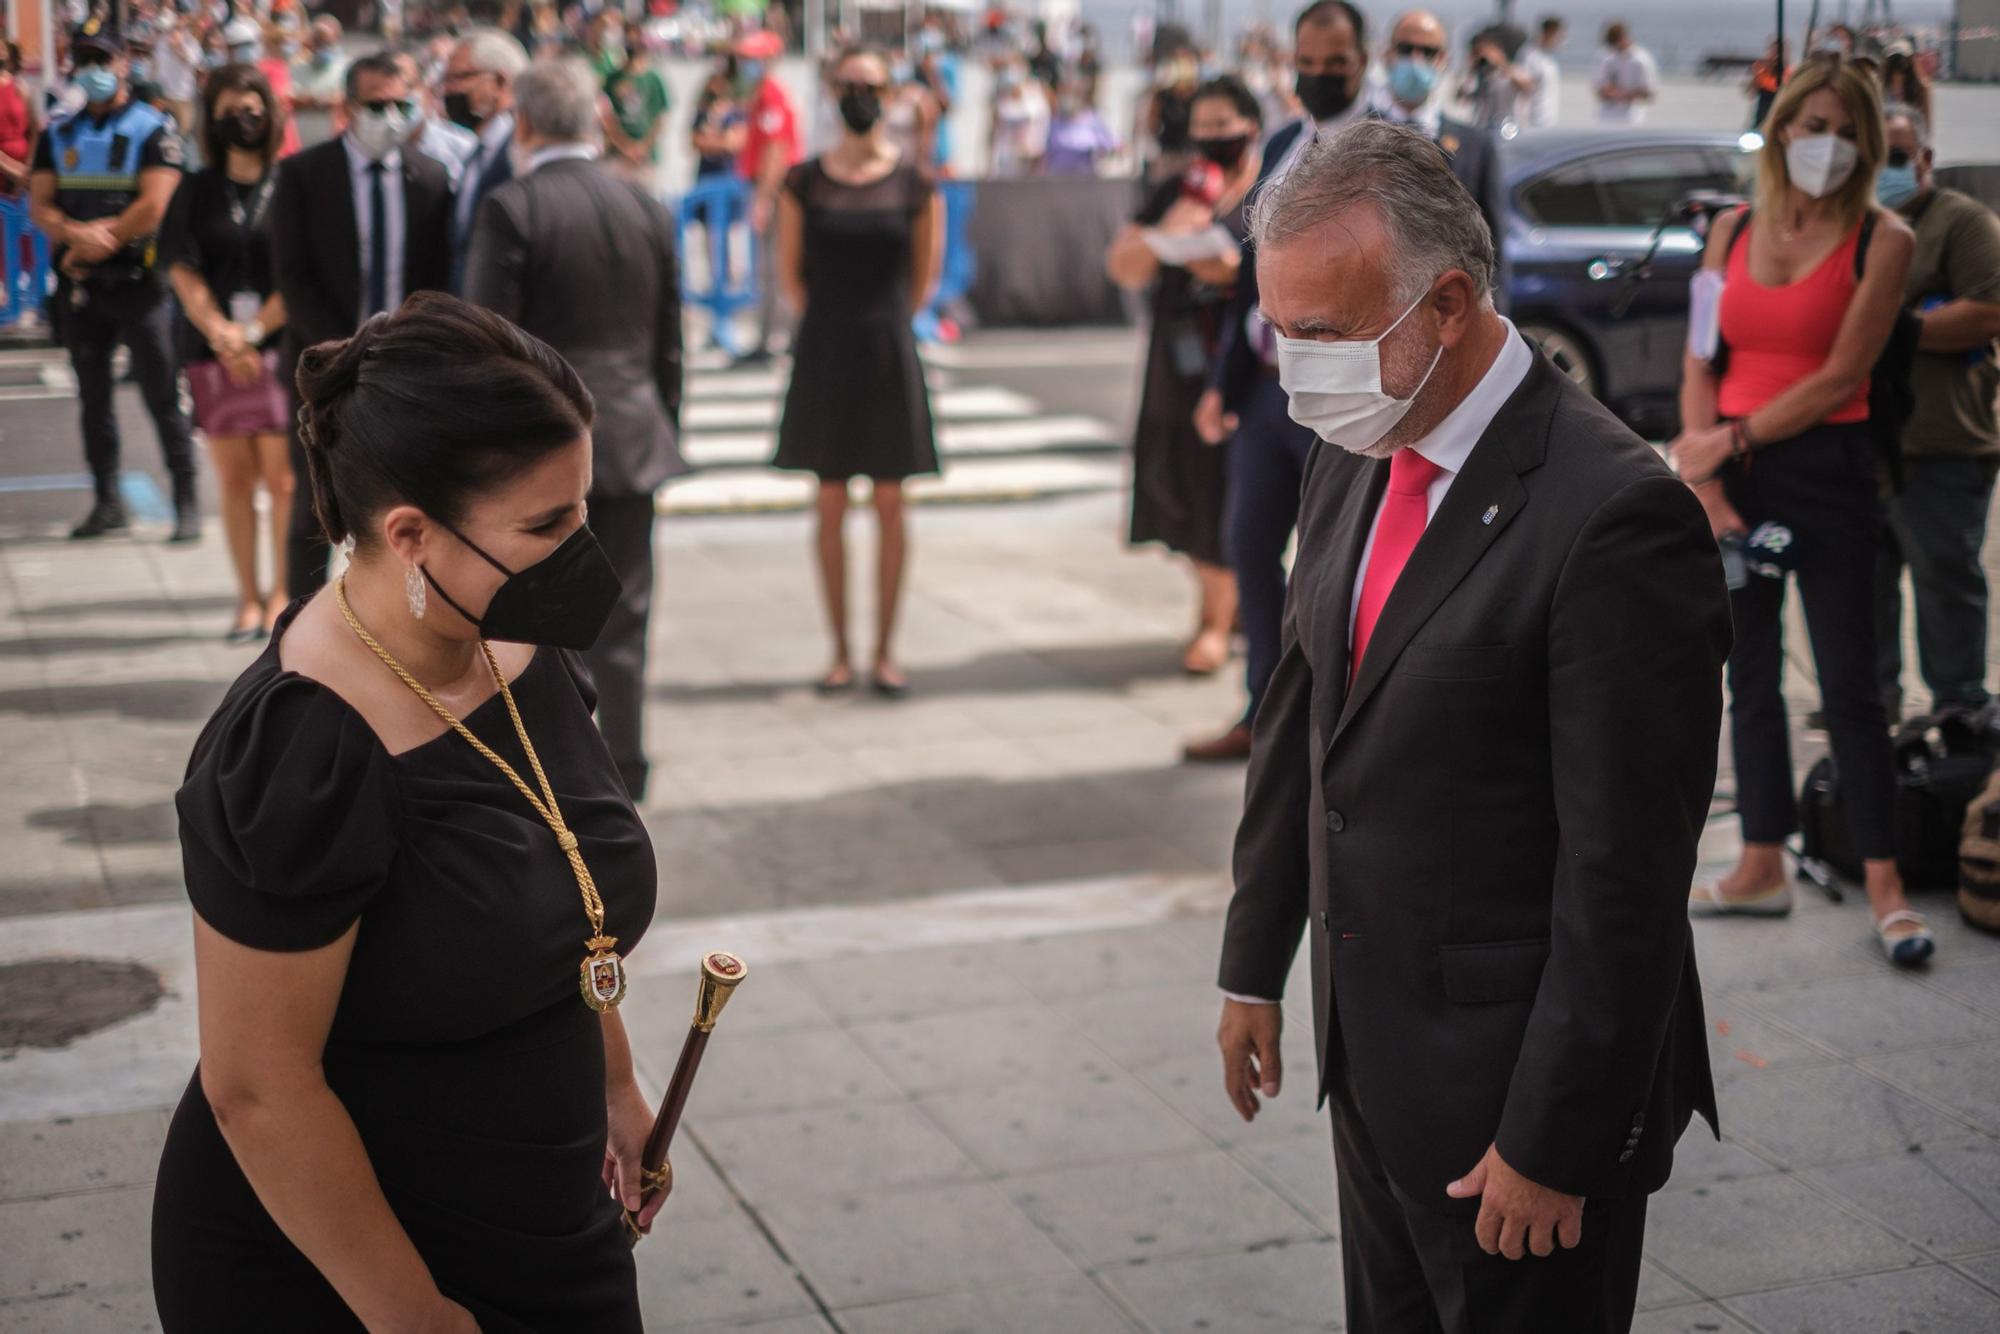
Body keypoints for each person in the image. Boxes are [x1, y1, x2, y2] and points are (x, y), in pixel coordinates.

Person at [1215, 117, 1730, 1334]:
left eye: (1323, 335)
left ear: (1445, 302)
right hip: (1371, 1064)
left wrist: (1553, 1139)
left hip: (1516, 1103)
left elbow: (1627, 874)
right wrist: (1254, 955)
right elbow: (1302, 713)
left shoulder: (1613, 515)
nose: (1295, 369)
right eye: (1277, 332)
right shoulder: (1355, 443)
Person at [150, 292, 666, 1331]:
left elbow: (564, 900)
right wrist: (410, 1311)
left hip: (547, 1211)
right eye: (546, 523)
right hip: (345, 1259)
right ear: (411, 534)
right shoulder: (301, 745)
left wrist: (614, 1083)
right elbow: (256, 1082)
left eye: (582, 503)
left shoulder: (523, 639)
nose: (583, 546)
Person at [1671, 61, 1930, 964]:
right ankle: (1760, 862)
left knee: (1852, 687)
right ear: (1780, 128)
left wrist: (1728, 445)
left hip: (1826, 465)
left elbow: (1841, 377)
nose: (1829, 142)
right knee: (1747, 678)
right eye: (1812, 122)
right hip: (1730, 472)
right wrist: (1705, 480)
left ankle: (1887, 883)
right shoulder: (1731, 229)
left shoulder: (1882, 237)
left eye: (1849, 129)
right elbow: (1700, 357)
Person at [467, 56, 686, 802]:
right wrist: (666, 432)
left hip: (539, 452)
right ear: (595, 120)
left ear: (523, 123)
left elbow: (488, 351)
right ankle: (624, 768)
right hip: (629, 436)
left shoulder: (512, 206)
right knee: (624, 619)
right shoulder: (646, 206)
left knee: (531, 623)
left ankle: (553, 773)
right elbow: (669, 344)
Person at [1186, 0, 1371, 762]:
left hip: (1346, 393)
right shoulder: (1287, 143)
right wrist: (1220, 387)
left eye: (1336, 63)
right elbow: (1250, 280)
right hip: (1267, 388)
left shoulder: (1389, 150)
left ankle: (1344, 729)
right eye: (1309, 63)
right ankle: (1265, 713)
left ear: (1363, 62)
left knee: (1340, 567)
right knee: (1249, 545)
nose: (1321, 76)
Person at [773, 44, 943, 698]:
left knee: (894, 504)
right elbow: (791, 277)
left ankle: (886, 651)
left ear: (891, 92)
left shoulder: (915, 185)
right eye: (847, 83)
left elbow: (923, 281)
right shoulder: (803, 181)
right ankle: (841, 652)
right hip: (826, 351)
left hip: (888, 349)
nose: (857, 94)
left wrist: (879, 323)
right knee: (830, 500)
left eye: (868, 83)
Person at [269, 53, 455, 598]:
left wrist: (407, 351)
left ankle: (396, 621)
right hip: (322, 367)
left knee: (403, 506)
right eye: (377, 105)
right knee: (314, 508)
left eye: (403, 104)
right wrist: (345, 354)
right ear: (348, 108)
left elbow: (437, 279)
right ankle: (298, 634)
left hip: (404, 373)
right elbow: (292, 277)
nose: (391, 116)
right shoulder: (304, 174)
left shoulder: (431, 177)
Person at [1106, 76, 1262, 678]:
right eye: (1203, 125)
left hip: (1245, 366)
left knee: (1230, 493)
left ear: (1251, 125)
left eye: (1225, 124)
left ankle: (1215, 622)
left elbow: (1244, 272)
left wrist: (1223, 267)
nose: (1213, 136)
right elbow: (1124, 265)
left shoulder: (1270, 189)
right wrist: (1176, 224)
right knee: (1179, 483)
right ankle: (1231, 607)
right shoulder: (1180, 186)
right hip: (1177, 366)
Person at [29, 21, 198, 543]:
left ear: (125, 63)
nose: (94, 70)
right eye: (85, 60)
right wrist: (73, 233)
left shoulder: (153, 128)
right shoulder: (59, 131)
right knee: (93, 397)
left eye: (104, 60)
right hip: (84, 286)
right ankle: (107, 502)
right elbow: (40, 203)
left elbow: (154, 203)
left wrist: (102, 238)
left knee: (161, 394)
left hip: (139, 282)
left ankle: (185, 500)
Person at [1874, 103, 2000, 717]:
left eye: (1897, 156)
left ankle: (1959, 723)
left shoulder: (1963, 224)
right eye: (1875, 156)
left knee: (1945, 587)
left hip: (1943, 445)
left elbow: (1987, 311)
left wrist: (1891, 326)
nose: (1886, 169)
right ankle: (1872, 723)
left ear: (1925, 159)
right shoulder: (1850, 226)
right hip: (1864, 448)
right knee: (1865, 598)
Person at [161, 63, 293, 644]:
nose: (245, 119)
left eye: (254, 108)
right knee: (235, 482)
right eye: (231, 110)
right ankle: (247, 598)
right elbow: (182, 268)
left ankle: (283, 596)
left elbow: (306, 271)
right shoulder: (195, 189)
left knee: (284, 482)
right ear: (212, 119)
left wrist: (254, 332)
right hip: (213, 353)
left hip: (284, 350)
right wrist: (223, 335)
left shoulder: (295, 184)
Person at [444, 27, 526, 292]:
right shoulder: (478, 153)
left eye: (460, 77)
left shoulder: (520, 155)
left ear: (501, 82)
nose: (449, 89)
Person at [736, 30, 801, 364]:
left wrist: (763, 199)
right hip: (769, 190)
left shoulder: (771, 95)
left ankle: (776, 337)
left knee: (773, 268)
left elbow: (776, 150)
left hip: (773, 192)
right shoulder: (765, 94)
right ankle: (777, 336)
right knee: (771, 268)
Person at [601, 34, 670, 188]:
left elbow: (660, 118)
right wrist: (624, 147)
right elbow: (606, 117)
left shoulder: (653, 79)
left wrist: (644, 147)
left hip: (645, 157)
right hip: (617, 156)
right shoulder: (612, 79)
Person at [289, 15, 349, 146]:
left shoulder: (346, 69)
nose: (321, 46)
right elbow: (290, 99)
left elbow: (340, 100)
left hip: (333, 143)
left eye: (326, 42)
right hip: (301, 143)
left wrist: (311, 100)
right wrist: (320, 101)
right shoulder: (296, 68)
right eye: (317, 41)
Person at [1042, 77, 1119, 177]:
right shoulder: (1053, 122)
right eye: (1064, 93)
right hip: (1057, 179)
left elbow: (1110, 145)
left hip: (1084, 180)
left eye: (1072, 93)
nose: (1067, 98)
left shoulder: (1092, 120)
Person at [988, 56, 1048, 177]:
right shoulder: (1002, 102)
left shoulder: (1035, 98)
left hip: (1029, 160)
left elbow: (1040, 132)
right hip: (1006, 159)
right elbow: (995, 132)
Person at [691, 60, 747, 182]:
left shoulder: (738, 110)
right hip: (705, 176)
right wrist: (723, 141)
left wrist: (711, 141)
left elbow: (737, 143)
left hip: (730, 176)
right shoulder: (704, 110)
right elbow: (695, 141)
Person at [1594, 21, 1657, 123]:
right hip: (1606, 117)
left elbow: (1649, 92)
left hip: (1632, 118)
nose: (1615, 48)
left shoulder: (1641, 59)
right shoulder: (1605, 57)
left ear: (1625, 38)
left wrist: (1625, 95)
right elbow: (1599, 88)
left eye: (1616, 43)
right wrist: (1611, 93)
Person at [1519, 15, 1563, 128]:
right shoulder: (1530, 56)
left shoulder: (1548, 57)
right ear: (1549, 33)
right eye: (1558, 36)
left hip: (1549, 121)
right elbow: (1524, 88)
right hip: (1534, 122)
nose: (1560, 41)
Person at [1881, 40, 1932, 125]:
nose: (1897, 62)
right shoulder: (1880, 87)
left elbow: (1926, 124)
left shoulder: (1920, 89)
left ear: (1910, 61)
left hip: (1911, 135)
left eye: (1902, 58)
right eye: (1894, 59)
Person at [1746, 38, 1786, 131]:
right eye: (1773, 50)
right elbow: (1751, 92)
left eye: (1777, 51)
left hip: (1779, 113)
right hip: (1762, 113)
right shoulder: (1762, 69)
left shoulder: (1787, 71)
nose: (1775, 54)